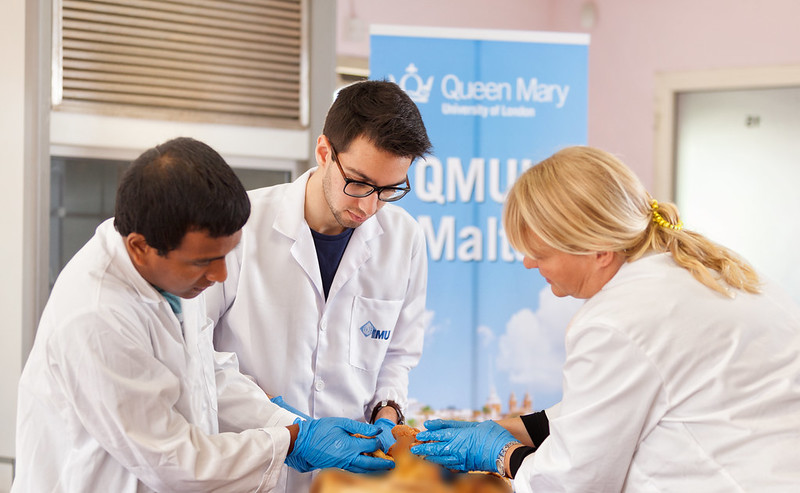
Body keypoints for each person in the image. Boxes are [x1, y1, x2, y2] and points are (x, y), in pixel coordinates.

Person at [12, 137, 393, 492]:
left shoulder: (169, 270)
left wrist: (289, 423)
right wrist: (291, 441)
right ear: (140, 247)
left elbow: (204, 372)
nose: (220, 276)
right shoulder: (96, 317)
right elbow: (173, 458)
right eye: (204, 262)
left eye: (226, 255)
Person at [410, 146, 800, 492]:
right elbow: (626, 398)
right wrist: (521, 429)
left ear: (597, 249)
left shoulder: (619, 319)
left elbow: (571, 483)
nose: (528, 263)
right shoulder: (715, 270)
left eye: (540, 253)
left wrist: (501, 455)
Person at [205, 80, 433, 492]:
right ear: (324, 152)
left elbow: (397, 354)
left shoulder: (405, 239)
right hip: (251, 469)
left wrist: (387, 411)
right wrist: (290, 430)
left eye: (388, 190)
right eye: (359, 182)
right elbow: (199, 359)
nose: (369, 206)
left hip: (344, 481)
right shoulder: (241, 225)